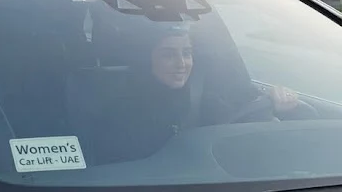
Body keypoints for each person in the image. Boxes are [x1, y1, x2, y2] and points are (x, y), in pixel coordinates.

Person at [82, 22, 313, 164]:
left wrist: (279, 104)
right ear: (147, 60)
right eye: (168, 54)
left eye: (187, 53)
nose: (181, 63)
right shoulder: (120, 112)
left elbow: (242, 121)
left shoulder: (205, 99)